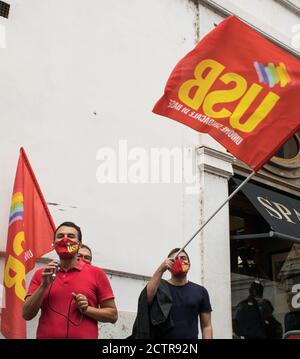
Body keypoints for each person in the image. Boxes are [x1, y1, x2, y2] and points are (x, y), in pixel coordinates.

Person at [22, 221, 118, 339]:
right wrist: (43, 285)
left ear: (79, 244)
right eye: (60, 236)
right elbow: (26, 314)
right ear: (53, 243)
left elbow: (113, 315)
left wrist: (87, 309)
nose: (65, 240)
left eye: (71, 236)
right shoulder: (41, 274)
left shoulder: (97, 273)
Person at [130, 248, 213, 339]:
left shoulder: (200, 291)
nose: (180, 261)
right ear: (168, 266)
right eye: (175, 259)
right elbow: (146, 300)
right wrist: (161, 269)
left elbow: (206, 326)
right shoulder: (159, 288)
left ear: (189, 264)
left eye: (183, 258)